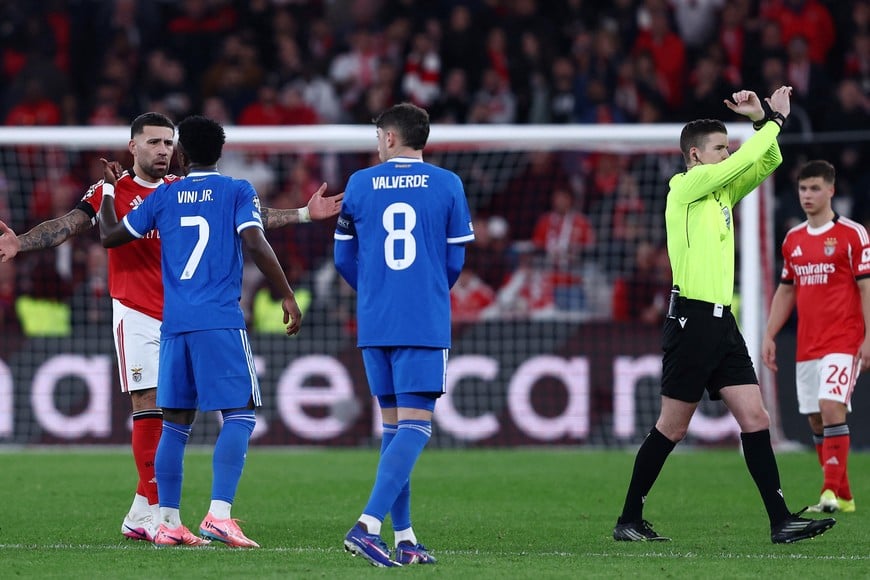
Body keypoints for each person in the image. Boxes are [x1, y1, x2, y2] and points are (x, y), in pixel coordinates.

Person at [0, 112, 342, 542]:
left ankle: (144, 512)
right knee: (153, 408)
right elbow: (68, 225)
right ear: (133, 147)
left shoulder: (174, 191)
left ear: (177, 149)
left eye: (167, 142)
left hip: (178, 316)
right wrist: (21, 241)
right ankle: (158, 516)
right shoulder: (111, 190)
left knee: (174, 418)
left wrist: (302, 213)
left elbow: (249, 216)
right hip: (136, 311)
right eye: (154, 142)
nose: (162, 150)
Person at [612, 86, 837, 544]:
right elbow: (746, 159)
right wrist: (773, 119)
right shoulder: (685, 187)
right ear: (695, 155)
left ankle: (780, 521)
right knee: (672, 427)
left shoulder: (719, 193)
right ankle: (629, 519)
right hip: (691, 321)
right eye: (720, 148)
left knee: (756, 418)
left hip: (722, 324)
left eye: (728, 148)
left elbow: (767, 161)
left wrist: (761, 123)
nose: (728, 154)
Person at [98, 115, 300, 548]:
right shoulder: (237, 190)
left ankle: (168, 521)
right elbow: (255, 241)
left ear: (181, 154)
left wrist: (110, 190)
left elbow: (111, 235)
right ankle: (219, 516)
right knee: (240, 414)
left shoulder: (165, 195)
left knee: (174, 424)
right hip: (219, 319)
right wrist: (286, 293)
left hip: (174, 325)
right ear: (221, 152)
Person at [334, 103, 474, 567]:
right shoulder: (448, 184)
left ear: (391, 138)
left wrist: (377, 291)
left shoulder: (359, 183)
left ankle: (406, 537)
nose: (377, 142)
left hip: (375, 321)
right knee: (416, 427)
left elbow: (342, 258)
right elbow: (455, 261)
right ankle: (367, 526)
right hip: (422, 319)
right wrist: (423, 290)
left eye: (378, 135)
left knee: (395, 429)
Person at [762, 160, 870, 514]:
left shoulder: (853, 234)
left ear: (831, 190)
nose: (807, 195)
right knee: (815, 417)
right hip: (807, 344)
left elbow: (866, 288)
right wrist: (769, 334)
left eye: (814, 188)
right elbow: (786, 290)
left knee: (830, 405)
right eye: (803, 189)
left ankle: (828, 491)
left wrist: (868, 337)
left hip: (844, 339)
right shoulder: (793, 240)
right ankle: (845, 496)